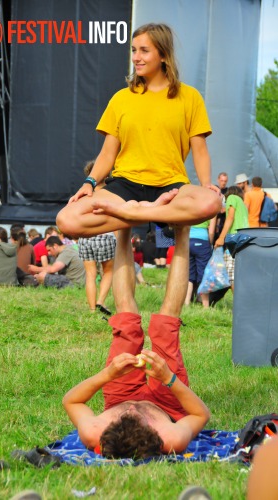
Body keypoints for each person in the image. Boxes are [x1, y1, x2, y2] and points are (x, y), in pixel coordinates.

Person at [56, 23, 221, 240]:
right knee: (66, 220)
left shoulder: (190, 97)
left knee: (212, 202)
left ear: (163, 55)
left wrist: (206, 183)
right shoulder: (121, 99)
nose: (136, 57)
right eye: (134, 50)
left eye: (144, 50)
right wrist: (90, 182)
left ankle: (136, 212)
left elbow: (200, 150)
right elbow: (107, 154)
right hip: (126, 185)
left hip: (170, 185)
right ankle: (151, 213)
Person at [62, 226, 210, 458]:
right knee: (166, 324)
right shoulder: (171, 439)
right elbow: (201, 415)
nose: (132, 411)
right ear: (153, 435)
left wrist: (108, 374)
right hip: (165, 403)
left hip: (119, 394)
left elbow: (71, 401)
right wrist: (168, 379)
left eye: (125, 419)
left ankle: (122, 229)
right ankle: (183, 231)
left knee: (126, 321)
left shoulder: (94, 433)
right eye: (138, 421)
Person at [78, 160, 116, 315]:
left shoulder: (84, 193)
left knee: (90, 275)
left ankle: (92, 309)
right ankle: (100, 301)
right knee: (108, 272)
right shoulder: (111, 193)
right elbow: (115, 218)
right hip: (105, 236)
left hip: (85, 237)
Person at [214, 186, 248, 292]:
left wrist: (221, 237)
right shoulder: (242, 203)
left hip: (234, 239)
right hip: (245, 239)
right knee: (239, 274)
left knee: (231, 275)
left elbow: (230, 217)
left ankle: (238, 304)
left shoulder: (232, 197)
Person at [184, 217, 216, 308]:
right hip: (202, 241)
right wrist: (210, 243)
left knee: (189, 274)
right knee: (203, 274)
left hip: (188, 240)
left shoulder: (190, 204)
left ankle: (186, 303)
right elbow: (211, 231)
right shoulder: (211, 207)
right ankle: (205, 305)